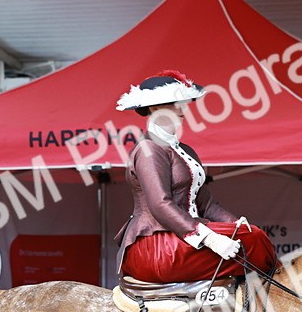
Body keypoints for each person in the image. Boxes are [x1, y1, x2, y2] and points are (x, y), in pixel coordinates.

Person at [114, 71, 277, 283]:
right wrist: (210, 238)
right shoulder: (149, 149)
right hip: (156, 244)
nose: (184, 109)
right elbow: (160, 204)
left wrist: (235, 223)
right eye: (176, 103)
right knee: (253, 242)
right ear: (154, 108)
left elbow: (206, 203)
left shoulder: (185, 150)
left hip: (184, 237)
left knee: (252, 235)